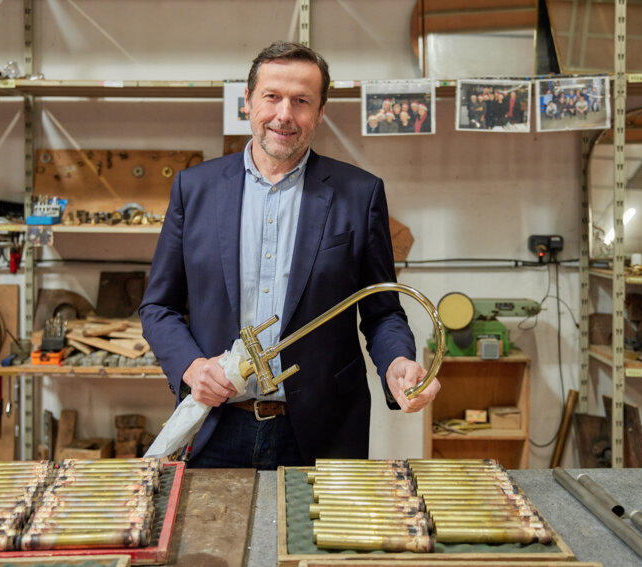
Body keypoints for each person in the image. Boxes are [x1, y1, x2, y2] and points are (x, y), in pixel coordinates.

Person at [139, 41, 439, 470]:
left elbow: (381, 313)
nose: (285, 115)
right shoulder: (196, 189)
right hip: (217, 424)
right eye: (272, 97)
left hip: (323, 432)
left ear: (320, 113)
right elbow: (158, 306)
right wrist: (191, 368)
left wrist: (398, 363)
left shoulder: (359, 194)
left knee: (314, 540)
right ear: (247, 102)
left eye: (301, 101)